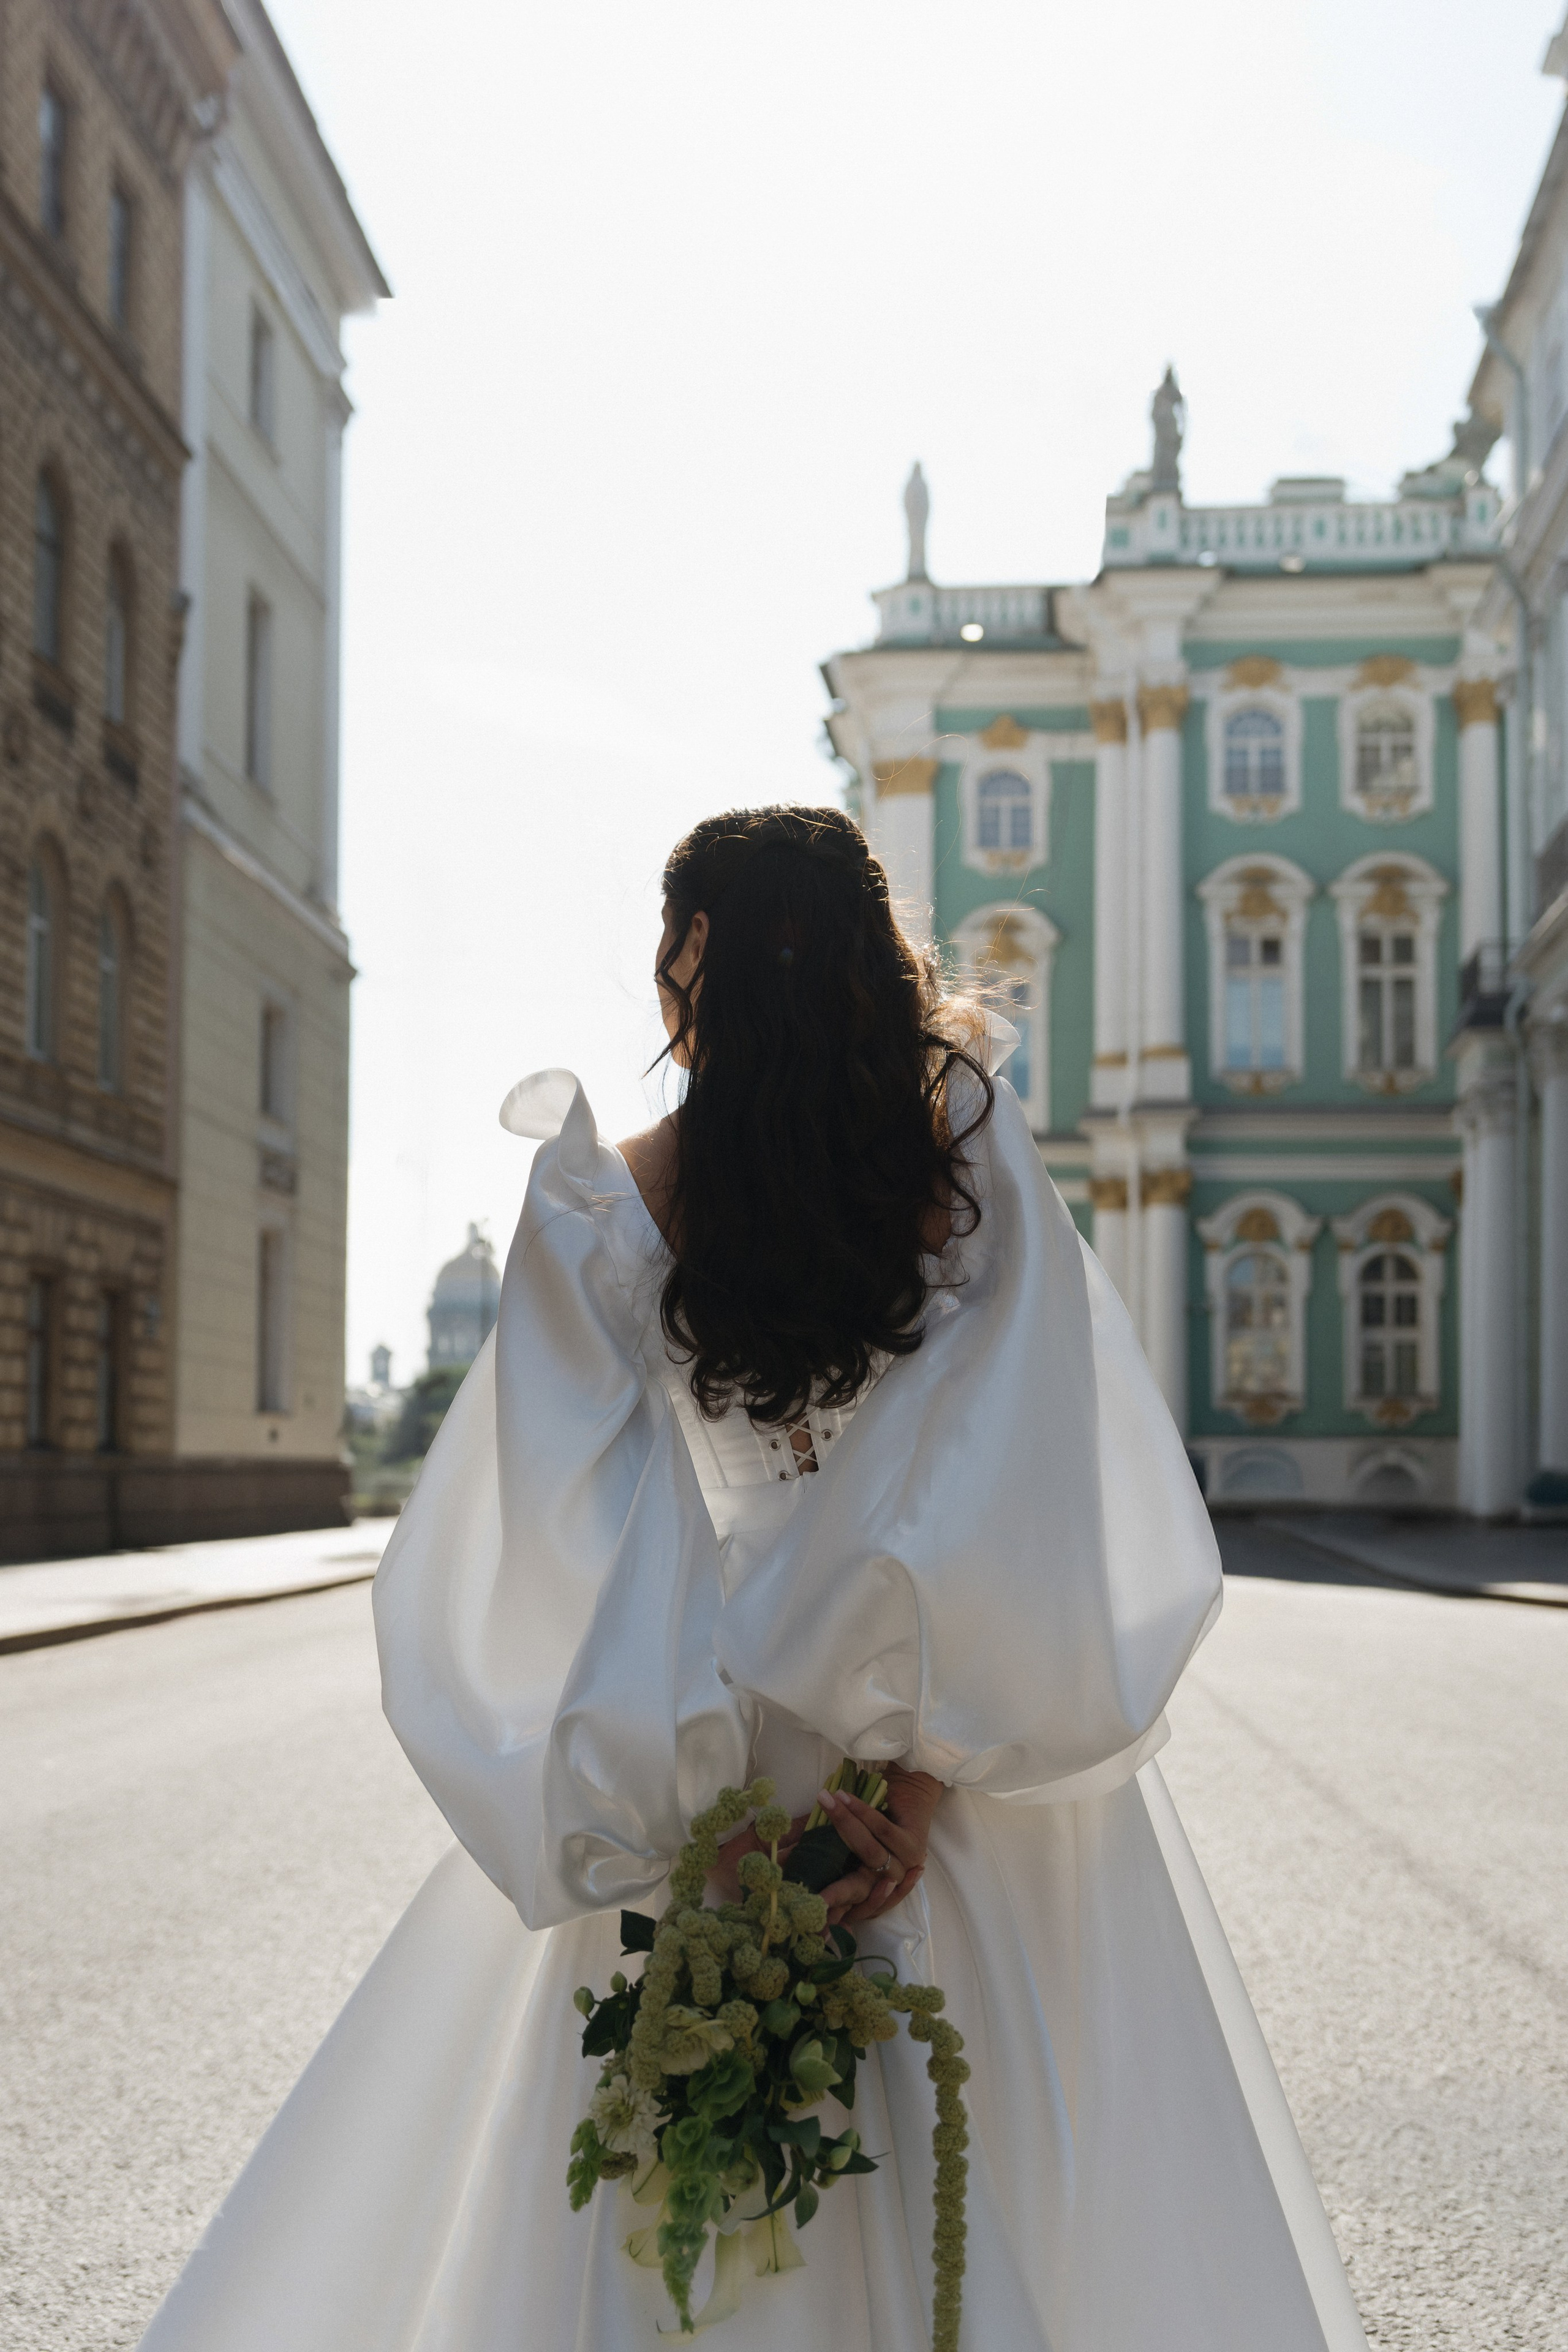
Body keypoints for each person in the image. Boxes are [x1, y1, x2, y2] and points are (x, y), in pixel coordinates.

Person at [137, 805, 1367, 2351]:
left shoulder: (603, 1205)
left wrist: (687, 1826)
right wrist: (916, 1778)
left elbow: (549, 1558)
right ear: (877, 960)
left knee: (671, 2208)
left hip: (710, 1779)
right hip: (941, 1777)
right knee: (1036, 2178)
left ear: (685, 958)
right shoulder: (965, 1161)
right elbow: (1030, 1470)